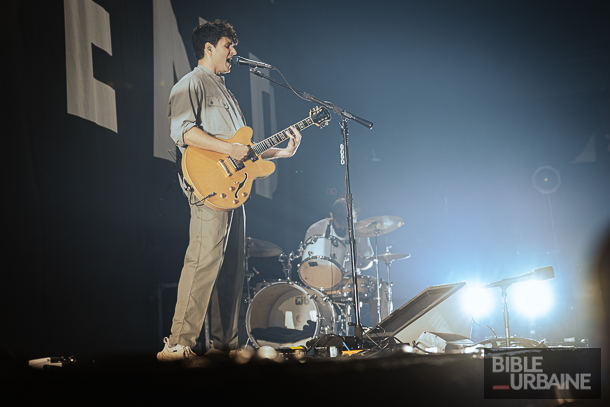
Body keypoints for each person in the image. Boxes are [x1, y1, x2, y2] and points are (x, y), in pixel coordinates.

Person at [157, 20, 302, 362]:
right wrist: (227, 151)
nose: (233, 53)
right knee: (202, 262)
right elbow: (185, 133)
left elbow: (243, 149)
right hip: (209, 188)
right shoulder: (190, 83)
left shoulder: (226, 91)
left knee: (232, 271)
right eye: (227, 46)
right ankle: (177, 345)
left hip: (234, 191)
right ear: (208, 48)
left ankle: (226, 348)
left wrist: (281, 152)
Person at [301, 198, 388, 326]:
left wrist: (363, 262)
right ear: (331, 216)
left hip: (348, 278)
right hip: (322, 280)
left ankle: (383, 331)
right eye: (339, 222)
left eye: (346, 223)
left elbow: (368, 262)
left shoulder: (360, 230)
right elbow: (307, 263)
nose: (342, 227)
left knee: (380, 287)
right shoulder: (316, 229)